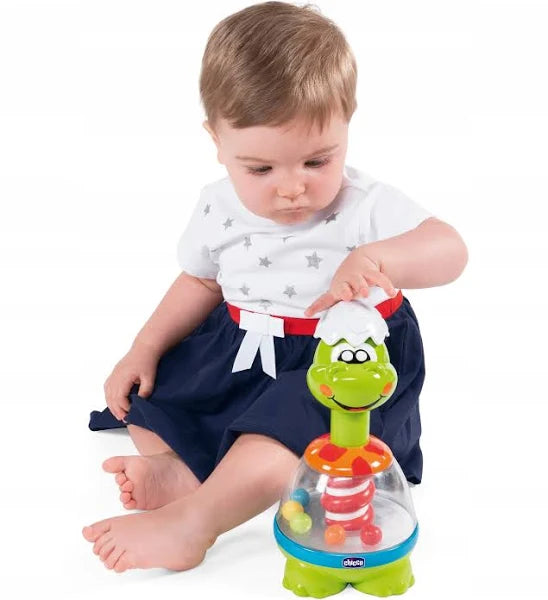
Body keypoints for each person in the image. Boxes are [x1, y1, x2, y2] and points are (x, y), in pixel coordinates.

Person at [82, 1, 468, 573]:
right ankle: (184, 471)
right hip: (242, 348)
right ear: (216, 140)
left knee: (291, 431)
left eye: (317, 161)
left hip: (339, 365)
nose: (291, 188)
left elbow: (451, 250)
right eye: (260, 169)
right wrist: (144, 347)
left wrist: (377, 257)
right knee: (150, 401)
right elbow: (200, 280)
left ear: (346, 125)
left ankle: (197, 521)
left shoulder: (366, 205)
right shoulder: (217, 205)